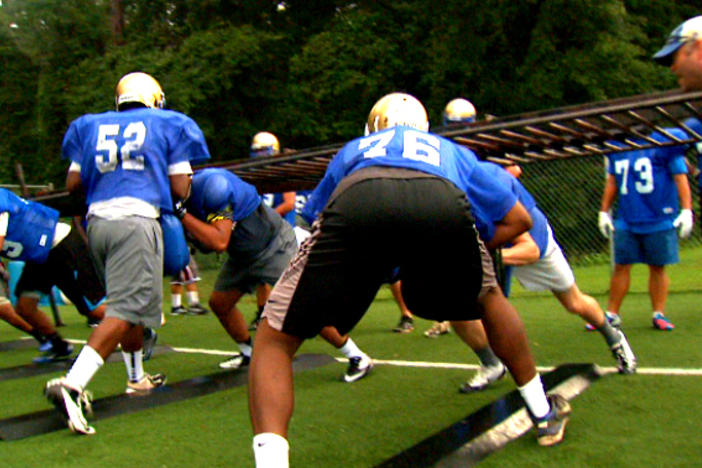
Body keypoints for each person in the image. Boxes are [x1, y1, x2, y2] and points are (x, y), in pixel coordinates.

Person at [248, 92, 571, 467]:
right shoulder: (451, 151)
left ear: (373, 127)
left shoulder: (355, 149)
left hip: (360, 195)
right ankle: (542, 411)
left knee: (274, 337)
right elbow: (519, 220)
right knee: (490, 298)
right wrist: (465, 251)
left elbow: (316, 219)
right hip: (442, 199)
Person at [44, 71, 210, 435]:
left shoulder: (90, 126)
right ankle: (72, 384)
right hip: (136, 220)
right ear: (154, 97)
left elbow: (74, 183)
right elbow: (180, 187)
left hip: (97, 224)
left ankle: (136, 378)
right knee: (125, 308)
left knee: (129, 306)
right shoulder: (169, 123)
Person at [454, 161, 636, 393]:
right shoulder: (446, 188)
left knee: (574, 302)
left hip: (529, 244)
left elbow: (530, 250)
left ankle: (615, 339)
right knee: (457, 309)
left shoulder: (487, 188)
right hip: (491, 247)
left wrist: (482, 255)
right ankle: (491, 363)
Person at [597, 121, 693, 331]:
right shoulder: (618, 149)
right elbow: (612, 181)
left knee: (657, 267)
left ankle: (658, 313)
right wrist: (604, 211)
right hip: (627, 217)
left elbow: (680, 177)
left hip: (659, 217)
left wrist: (686, 210)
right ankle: (612, 313)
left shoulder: (664, 145)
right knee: (621, 265)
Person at [422, 98, 478, 338]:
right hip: (451, 208)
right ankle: (444, 318)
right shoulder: (441, 145)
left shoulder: (478, 143)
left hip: (469, 208)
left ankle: (467, 317)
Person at [248, 132, 296, 330]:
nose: (260, 155)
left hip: (284, 231)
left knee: (286, 277)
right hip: (264, 232)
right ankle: (262, 313)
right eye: (257, 151)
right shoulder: (256, 175)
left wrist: (266, 217)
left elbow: (289, 203)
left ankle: (291, 313)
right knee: (261, 275)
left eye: (262, 151)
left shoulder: (282, 171)